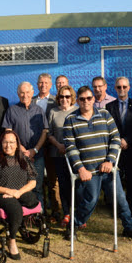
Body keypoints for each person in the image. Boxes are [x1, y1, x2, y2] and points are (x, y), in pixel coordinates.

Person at [63, 86, 132, 242]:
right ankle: (74, 225)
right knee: (91, 200)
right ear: (78, 101)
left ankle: (129, 227)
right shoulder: (70, 120)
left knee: (120, 199)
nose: (86, 101)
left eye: (89, 98)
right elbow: (70, 147)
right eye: (82, 99)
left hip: (108, 168)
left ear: (93, 99)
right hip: (88, 171)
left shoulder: (105, 114)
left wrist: (110, 161)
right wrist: (80, 169)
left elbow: (115, 139)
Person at [0, 130, 39, 260]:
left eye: (12, 142)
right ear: (0, 143)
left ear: (17, 144)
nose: (8, 145)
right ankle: (11, 240)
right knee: (15, 207)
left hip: (18, 192)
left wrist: (18, 192)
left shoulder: (23, 159)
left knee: (32, 200)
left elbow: (33, 181)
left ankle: (18, 224)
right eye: (5, 142)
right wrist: (8, 191)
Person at [2, 81, 48, 208]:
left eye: (28, 92)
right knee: (20, 185)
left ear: (33, 93)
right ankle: (23, 214)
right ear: (18, 94)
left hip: (37, 156)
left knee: (37, 186)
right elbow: (8, 131)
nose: (25, 95)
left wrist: (35, 150)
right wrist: (22, 149)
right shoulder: (12, 110)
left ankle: (39, 214)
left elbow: (45, 131)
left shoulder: (39, 110)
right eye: (22, 92)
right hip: (18, 156)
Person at [106, 77, 132, 217]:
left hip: (131, 148)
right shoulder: (109, 107)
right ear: (115, 88)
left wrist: (127, 140)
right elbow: (108, 128)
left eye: (124, 87)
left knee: (131, 180)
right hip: (115, 150)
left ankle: (131, 208)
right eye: (119, 87)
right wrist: (118, 141)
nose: (122, 89)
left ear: (129, 87)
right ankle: (117, 209)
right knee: (115, 181)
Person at [47, 85, 77, 226]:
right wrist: (59, 146)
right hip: (58, 154)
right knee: (63, 186)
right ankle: (66, 213)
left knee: (76, 186)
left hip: (75, 156)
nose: (64, 99)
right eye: (61, 97)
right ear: (58, 98)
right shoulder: (53, 111)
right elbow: (49, 133)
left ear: (72, 98)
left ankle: (77, 214)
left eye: (67, 96)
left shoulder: (77, 110)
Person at [32, 73, 59, 219]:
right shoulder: (31, 100)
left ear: (50, 85)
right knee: (37, 181)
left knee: (53, 181)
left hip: (52, 146)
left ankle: (56, 210)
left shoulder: (56, 101)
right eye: (41, 83)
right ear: (37, 85)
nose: (43, 85)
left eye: (46, 83)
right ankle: (39, 210)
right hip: (36, 146)